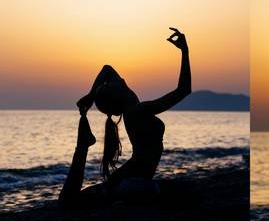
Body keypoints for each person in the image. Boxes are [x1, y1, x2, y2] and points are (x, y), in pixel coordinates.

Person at [59, 27, 191, 206]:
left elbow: (107, 69)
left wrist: (91, 95)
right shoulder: (137, 112)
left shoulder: (132, 104)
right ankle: (82, 146)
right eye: (114, 85)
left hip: (132, 177)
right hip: (131, 182)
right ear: (118, 98)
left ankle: (83, 145)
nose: (118, 81)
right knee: (69, 201)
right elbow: (184, 90)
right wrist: (185, 50)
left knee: (75, 200)